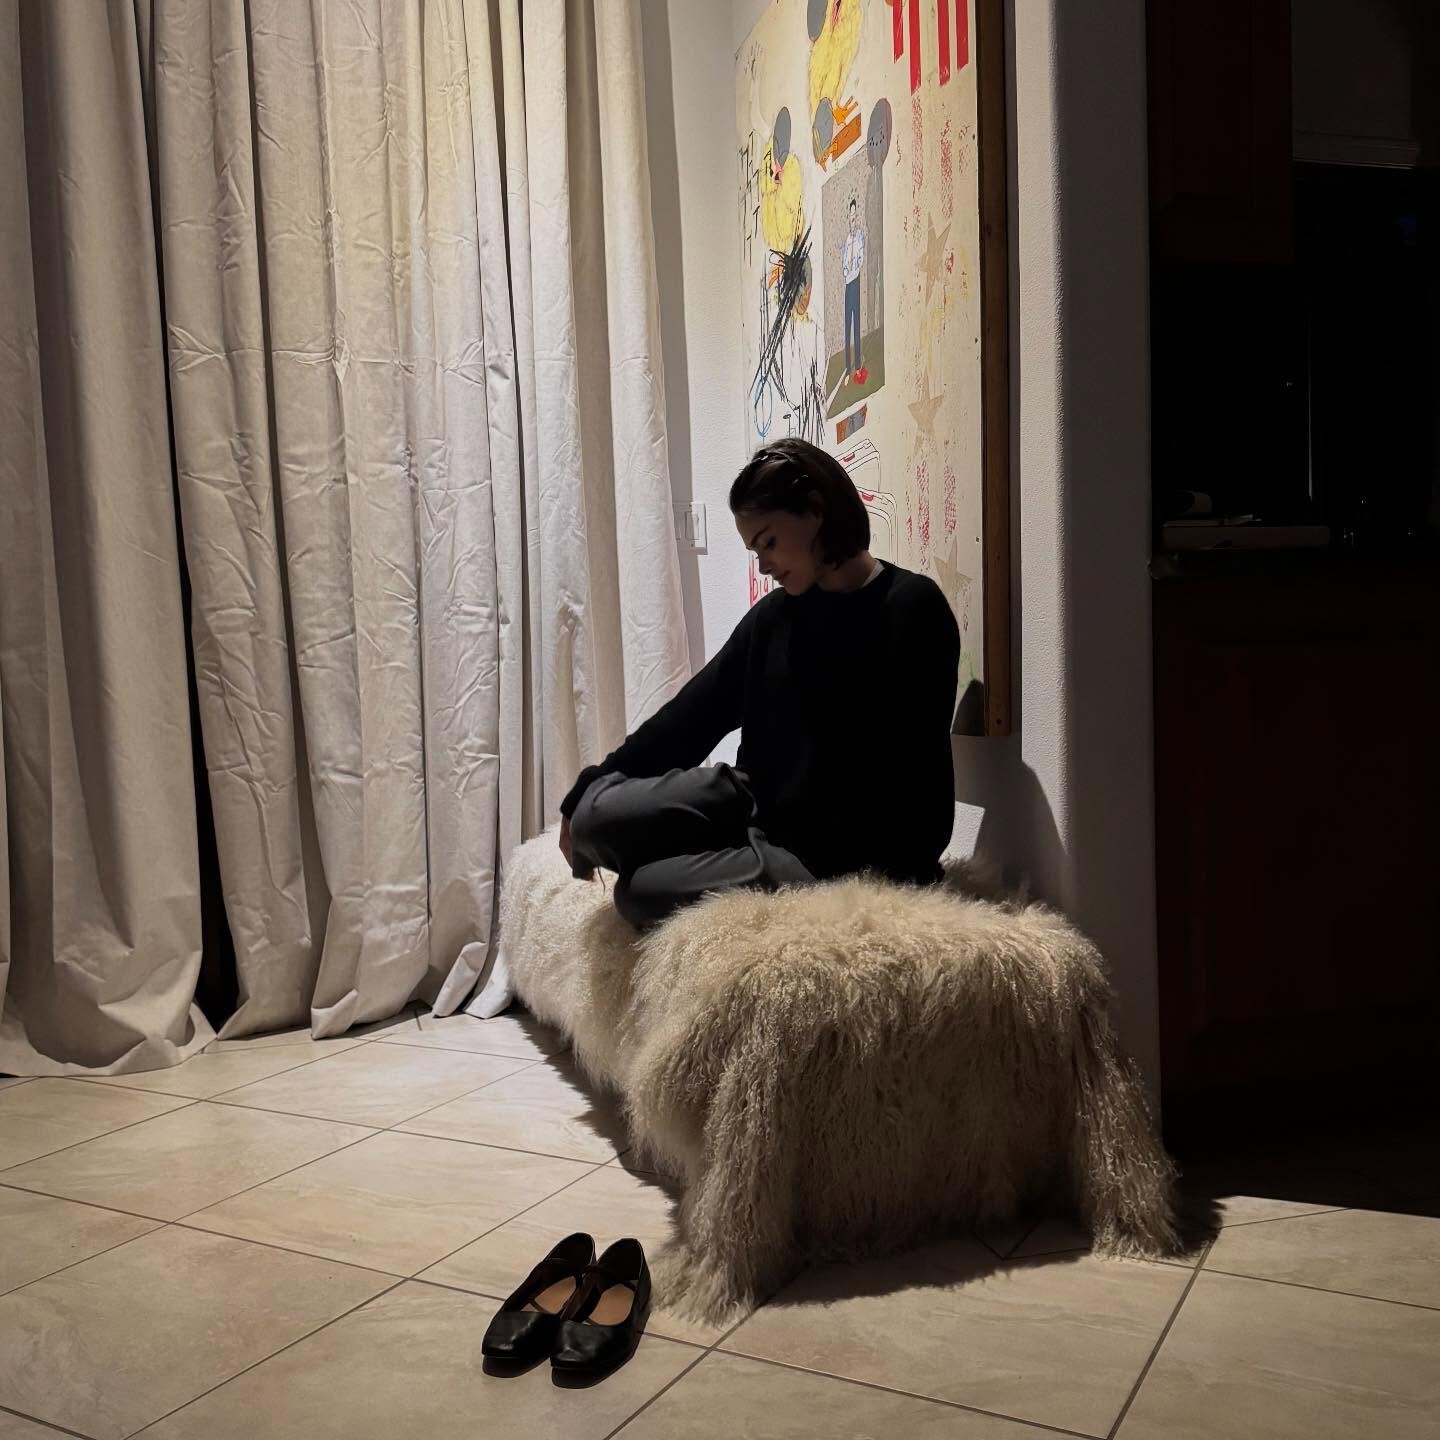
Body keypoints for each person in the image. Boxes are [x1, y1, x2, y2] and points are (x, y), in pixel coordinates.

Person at [558, 437, 960, 930]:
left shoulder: (912, 608)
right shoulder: (775, 617)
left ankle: (731, 857)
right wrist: (592, 782)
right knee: (594, 815)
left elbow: (922, 784)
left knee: (639, 893)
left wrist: (889, 877)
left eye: (768, 542)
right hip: (752, 801)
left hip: (822, 855)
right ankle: (711, 845)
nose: (763, 565)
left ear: (815, 510)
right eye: (754, 549)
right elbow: (689, 719)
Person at [842, 196, 865, 384]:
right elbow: (844, 263)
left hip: (855, 281)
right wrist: (846, 271)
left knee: (856, 324)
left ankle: (857, 365)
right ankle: (847, 369)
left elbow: (860, 259)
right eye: (851, 218)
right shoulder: (847, 240)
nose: (853, 222)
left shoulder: (858, 239)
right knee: (847, 326)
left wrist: (853, 270)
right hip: (848, 284)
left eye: (855, 217)